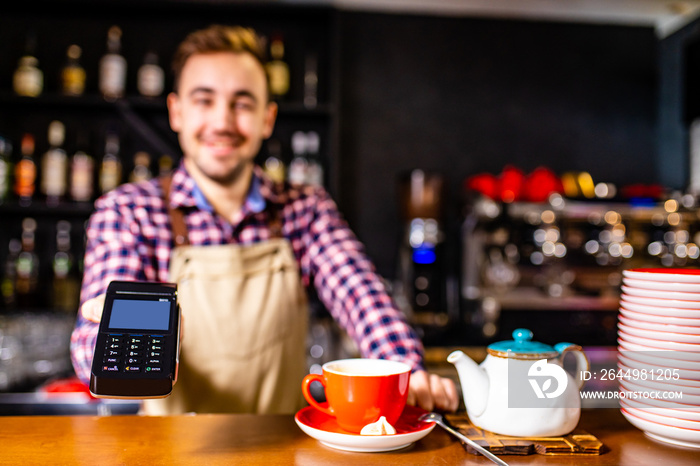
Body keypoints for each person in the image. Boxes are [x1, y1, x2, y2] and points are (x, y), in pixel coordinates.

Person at [70, 24, 459, 415]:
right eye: (204, 100)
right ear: (177, 112)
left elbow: (365, 301)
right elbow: (92, 358)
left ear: (267, 118)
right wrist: (114, 346)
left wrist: (404, 371)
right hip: (170, 452)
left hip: (282, 450)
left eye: (242, 103)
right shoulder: (128, 212)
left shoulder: (305, 209)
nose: (222, 122)